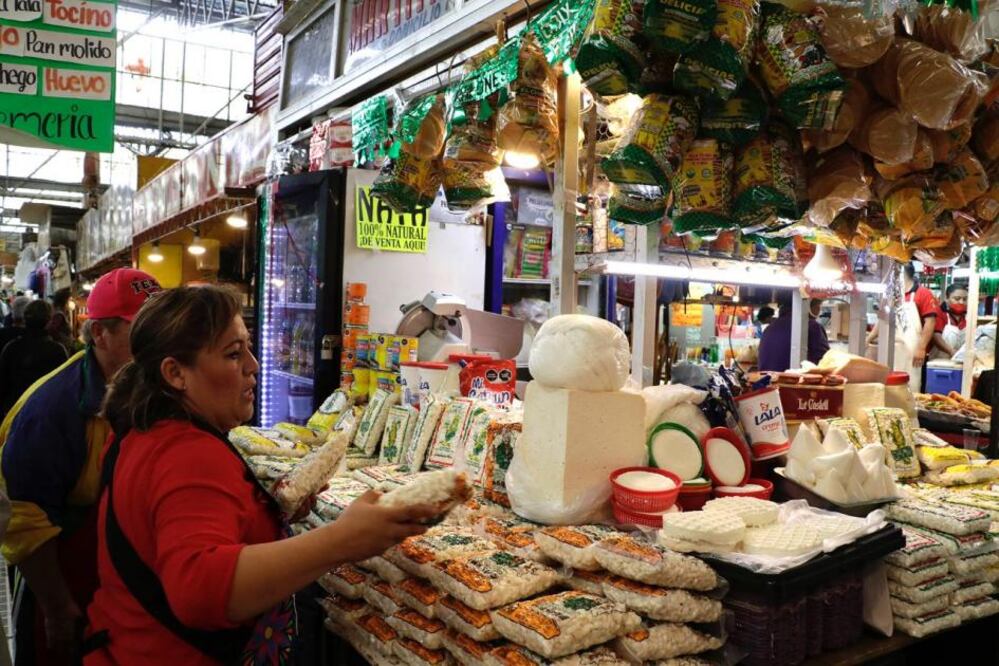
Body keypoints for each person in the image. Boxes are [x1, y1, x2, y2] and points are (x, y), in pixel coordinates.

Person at [85, 285, 434, 665]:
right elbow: (199, 591)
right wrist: (343, 540)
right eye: (234, 354)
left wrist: (265, 514)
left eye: (248, 348)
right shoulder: (187, 452)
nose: (253, 365)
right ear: (175, 373)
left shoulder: (144, 429)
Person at [0, 268, 161, 666]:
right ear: (99, 335)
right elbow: (24, 519)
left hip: (126, 579)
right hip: (64, 574)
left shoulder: (154, 384)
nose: (158, 338)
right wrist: (57, 608)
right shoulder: (50, 410)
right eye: (141, 327)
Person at [0, 300, 68, 420]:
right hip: (45, 416)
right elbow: (64, 389)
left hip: (14, 413)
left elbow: (3, 384)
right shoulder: (57, 350)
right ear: (48, 321)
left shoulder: (11, 347)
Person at [758, 293, 831, 371]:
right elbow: (826, 364)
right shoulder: (811, 327)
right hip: (789, 382)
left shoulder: (769, 328)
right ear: (810, 306)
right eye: (819, 306)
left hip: (766, 382)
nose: (819, 310)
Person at [932, 283, 969, 359]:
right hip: (939, 363)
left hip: (961, 362)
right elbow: (936, 336)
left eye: (965, 299)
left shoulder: (968, 316)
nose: (961, 302)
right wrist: (952, 352)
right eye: (957, 299)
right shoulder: (940, 312)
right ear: (946, 298)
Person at [47, 288, 76, 356]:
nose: (71, 302)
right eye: (69, 300)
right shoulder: (59, 314)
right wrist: (63, 340)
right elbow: (52, 329)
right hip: (62, 349)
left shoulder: (57, 312)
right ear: (65, 301)